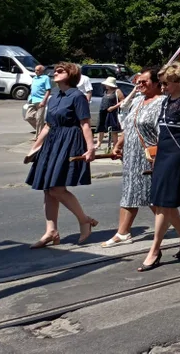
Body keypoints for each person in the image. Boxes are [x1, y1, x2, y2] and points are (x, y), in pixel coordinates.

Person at [25, 62, 98, 249]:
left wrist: (91, 148)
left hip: (69, 141)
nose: (55, 73)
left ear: (71, 74)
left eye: (60, 71)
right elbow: (48, 126)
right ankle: (51, 231)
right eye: (55, 71)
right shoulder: (55, 96)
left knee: (57, 188)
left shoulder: (78, 96)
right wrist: (34, 148)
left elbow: (85, 124)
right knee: (47, 188)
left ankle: (84, 220)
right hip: (52, 143)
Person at [139, 62, 180, 271]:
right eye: (162, 83)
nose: (163, 87)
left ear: (177, 81)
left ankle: (155, 249)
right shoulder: (166, 101)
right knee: (161, 201)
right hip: (163, 153)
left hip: (177, 155)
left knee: (164, 203)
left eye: (166, 83)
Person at [104, 67, 164, 248]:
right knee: (131, 193)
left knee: (153, 196)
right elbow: (130, 126)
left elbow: (163, 133)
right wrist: (118, 145)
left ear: (156, 84)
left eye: (144, 81)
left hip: (149, 157)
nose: (140, 84)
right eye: (138, 81)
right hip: (131, 156)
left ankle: (177, 227)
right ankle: (123, 233)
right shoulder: (138, 100)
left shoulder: (162, 103)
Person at [24, 64, 52, 136]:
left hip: (41, 100)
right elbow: (32, 89)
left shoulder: (45, 78)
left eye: (38, 70)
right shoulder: (34, 78)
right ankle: (42, 130)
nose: (36, 71)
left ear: (42, 71)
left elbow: (48, 90)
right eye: (35, 70)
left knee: (39, 118)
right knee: (28, 116)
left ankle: (38, 136)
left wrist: (44, 100)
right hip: (33, 100)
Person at [98, 77, 125, 145]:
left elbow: (123, 101)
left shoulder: (117, 91)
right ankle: (99, 143)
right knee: (101, 127)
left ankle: (115, 144)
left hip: (113, 112)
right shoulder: (105, 91)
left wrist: (113, 107)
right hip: (103, 111)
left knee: (113, 130)